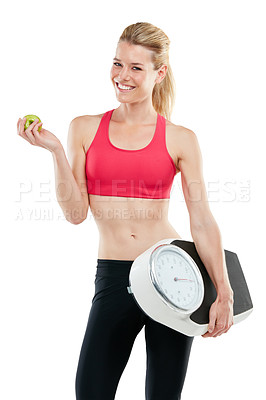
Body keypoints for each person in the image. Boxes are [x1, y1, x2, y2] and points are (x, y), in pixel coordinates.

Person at [17, 21, 234, 400]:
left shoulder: (180, 138)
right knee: (91, 390)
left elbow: (201, 219)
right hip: (116, 276)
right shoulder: (84, 129)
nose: (123, 76)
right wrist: (54, 152)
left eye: (136, 67)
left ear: (159, 73)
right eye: (118, 64)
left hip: (174, 277)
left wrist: (224, 291)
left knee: (163, 395)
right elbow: (75, 214)